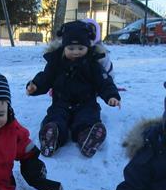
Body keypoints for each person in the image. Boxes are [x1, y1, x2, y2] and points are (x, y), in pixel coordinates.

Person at [25, 20, 121, 158]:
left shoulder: (92, 64)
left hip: (86, 103)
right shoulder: (56, 63)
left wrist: (111, 95)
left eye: (81, 48)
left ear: (88, 47)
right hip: (61, 102)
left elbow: (104, 81)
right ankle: (51, 136)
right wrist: (35, 85)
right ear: (64, 47)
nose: (76, 52)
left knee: (87, 118)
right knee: (56, 118)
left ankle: (87, 137)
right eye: (71, 49)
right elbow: (45, 77)